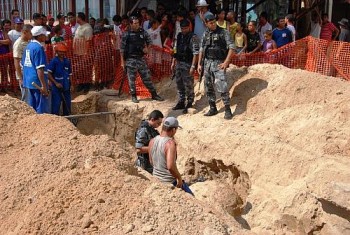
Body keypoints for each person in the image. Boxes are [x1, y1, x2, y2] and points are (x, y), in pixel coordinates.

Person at [198, 14, 235, 120]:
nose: (213, 24)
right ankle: (212, 108)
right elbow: (201, 48)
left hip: (218, 63)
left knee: (222, 86)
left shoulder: (223, 32)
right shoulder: (205, 33)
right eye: (210, 23)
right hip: (207, 63)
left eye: (214, 22)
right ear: (206, 24)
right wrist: (199, 63)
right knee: (208, 87)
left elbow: (232, 47)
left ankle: (227, 110)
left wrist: (226, 62)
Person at [120, 16, 164, 103]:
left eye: (138, 23)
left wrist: (147, 49)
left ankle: (154, 94)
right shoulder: (126, 34)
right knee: (131, 79)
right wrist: (122, 62)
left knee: (147, 77)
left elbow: (150, 42)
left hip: (141, 59)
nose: (137, 25)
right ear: (131, 24)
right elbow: (122, 49)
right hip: (130, 59)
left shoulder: (143, 32)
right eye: (135, 23)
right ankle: (133, 96)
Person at [149, 116, 194, 196]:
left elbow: (151, 161)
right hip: (168, 181)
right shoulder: (170, 143)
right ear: (173, 129)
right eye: (176, 130)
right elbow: (170, 166)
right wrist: (179, 178)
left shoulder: (152, 141)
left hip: (156, 179)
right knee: (192, 198)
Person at [171, 19, 199, 113]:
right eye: (182, 28)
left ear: (189, 27)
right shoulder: (179, 36)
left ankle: (190, 101)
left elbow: (196, 53)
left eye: (185, 28)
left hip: (187, 63)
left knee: (188, 84)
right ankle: (181, 101)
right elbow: (176, 49)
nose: (184, 30)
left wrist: (193, 66)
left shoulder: (193, 37)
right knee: (179, 83)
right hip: (179, 62)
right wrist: (173, 61)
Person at [21, 26, 50, 114]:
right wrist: (43, 86)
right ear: (40, 36)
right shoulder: (38, 48)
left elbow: (23, 64)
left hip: (28, 81)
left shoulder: (28, 46)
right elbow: (40, 69)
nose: (46, 37)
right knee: (40, 108)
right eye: (44, 35)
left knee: (31, 107)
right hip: (37, 83)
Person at [135, 110, 164, 174]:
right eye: (158, 123)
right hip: (144, 166)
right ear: (152, 119)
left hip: (151, 164)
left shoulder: (151, 129)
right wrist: (155, 148)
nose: (159, 125)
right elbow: (138, 149)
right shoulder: (143, 130)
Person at [47, 43, 72, 115]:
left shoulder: (67, 61)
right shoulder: (54, 61)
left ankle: (68, 118)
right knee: (56, 105)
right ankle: (56, 120)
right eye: (60, 51)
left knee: (67, 104)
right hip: (56, 88)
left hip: (66, 87)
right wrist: (55, 83)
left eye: (63, 51)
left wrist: (72, 84)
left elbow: (70, 74)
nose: (62, 53)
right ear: (57, 52)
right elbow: (48, 74)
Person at [13, 24, 32, 100]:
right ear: (25, 32)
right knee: (26, 95)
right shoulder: (18, 44)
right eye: (30, 33)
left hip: (29, 72)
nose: (32, 35)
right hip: (23, 73)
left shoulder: (28, 42)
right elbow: (16, 61)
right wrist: (20, 78)